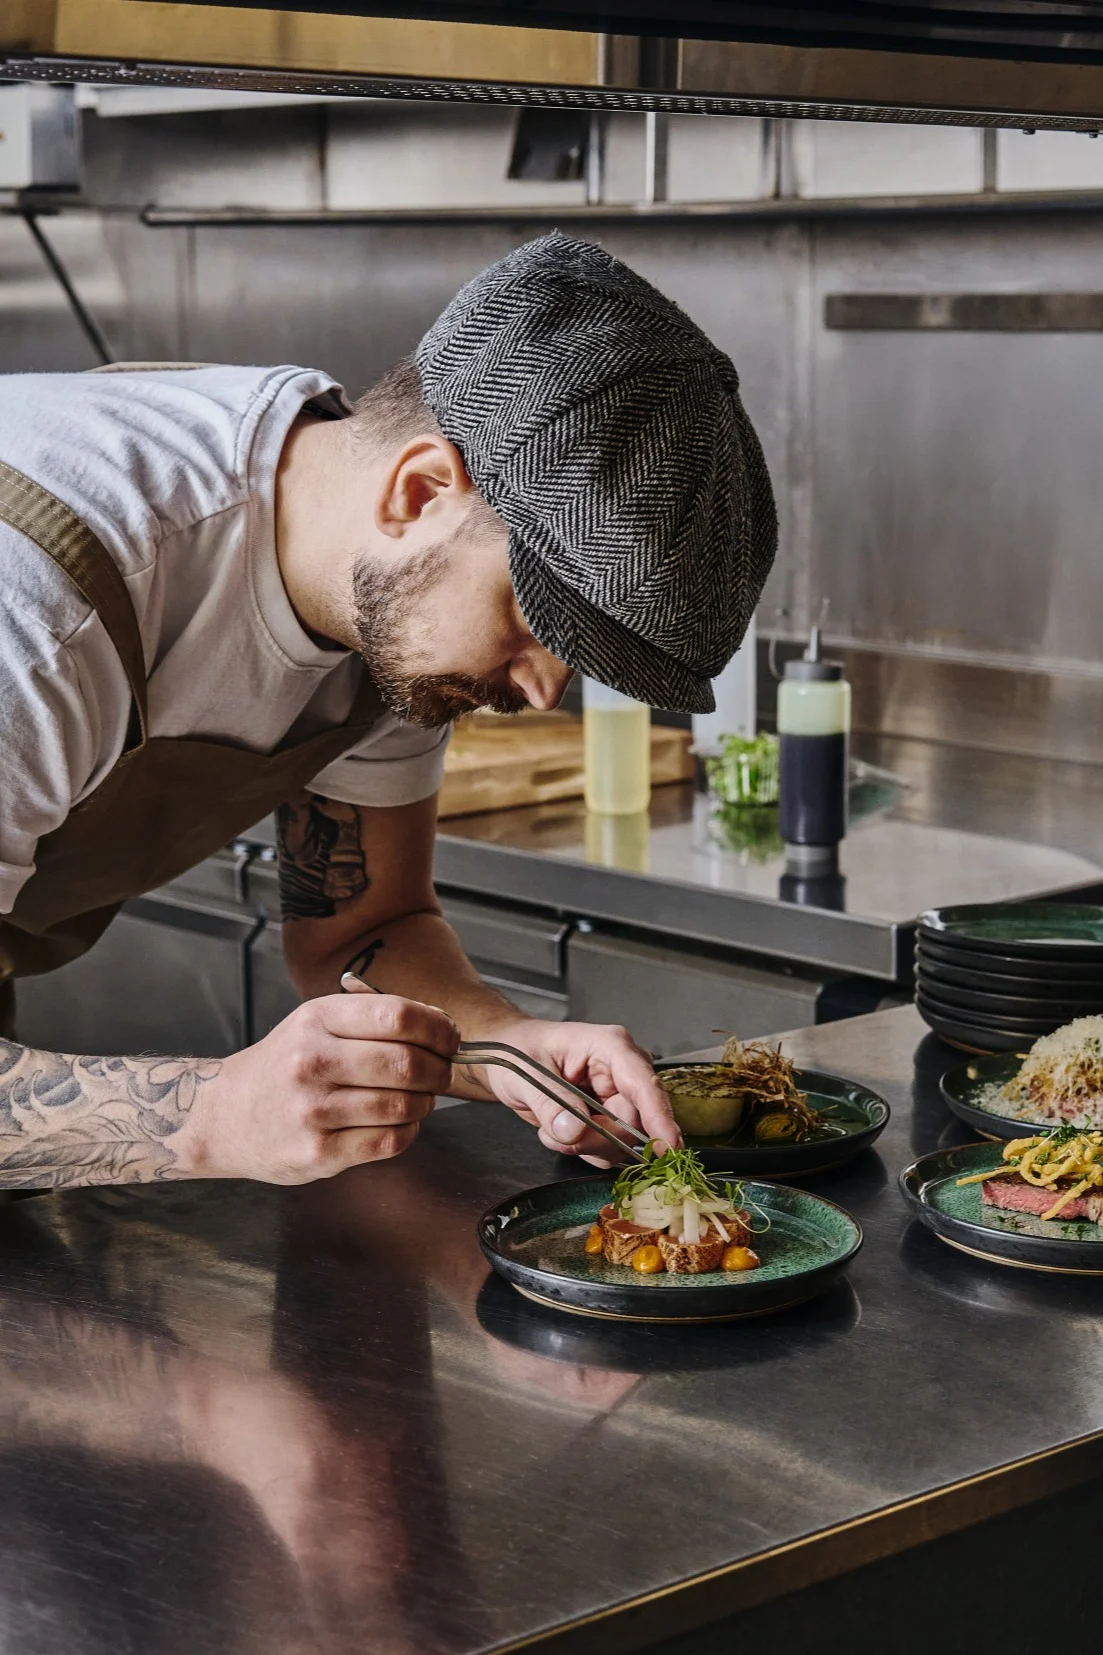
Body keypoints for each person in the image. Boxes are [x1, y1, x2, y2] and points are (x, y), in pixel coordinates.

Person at [0, 232, 777, 1189]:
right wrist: (213, 1116)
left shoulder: (389, 598)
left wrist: (512, 1047)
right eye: (529, 624)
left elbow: (358, 934)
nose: (541, 693)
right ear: (420, 490)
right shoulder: (36, 608)